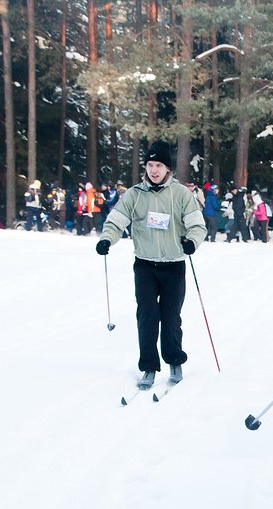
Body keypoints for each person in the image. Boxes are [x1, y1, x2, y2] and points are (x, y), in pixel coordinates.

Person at [95, 141, 207, 389]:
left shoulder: (181, 194)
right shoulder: (134, 194)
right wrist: (106, 239)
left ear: (167, 169)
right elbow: (116, 221)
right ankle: (148, 366)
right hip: (145, 265)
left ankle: (174, 360)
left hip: (173, 265)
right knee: (146, 316)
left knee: (170, 317)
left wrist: (191, 242)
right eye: (150, 165)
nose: (154, 170)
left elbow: (197, 226)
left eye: (159, 165)